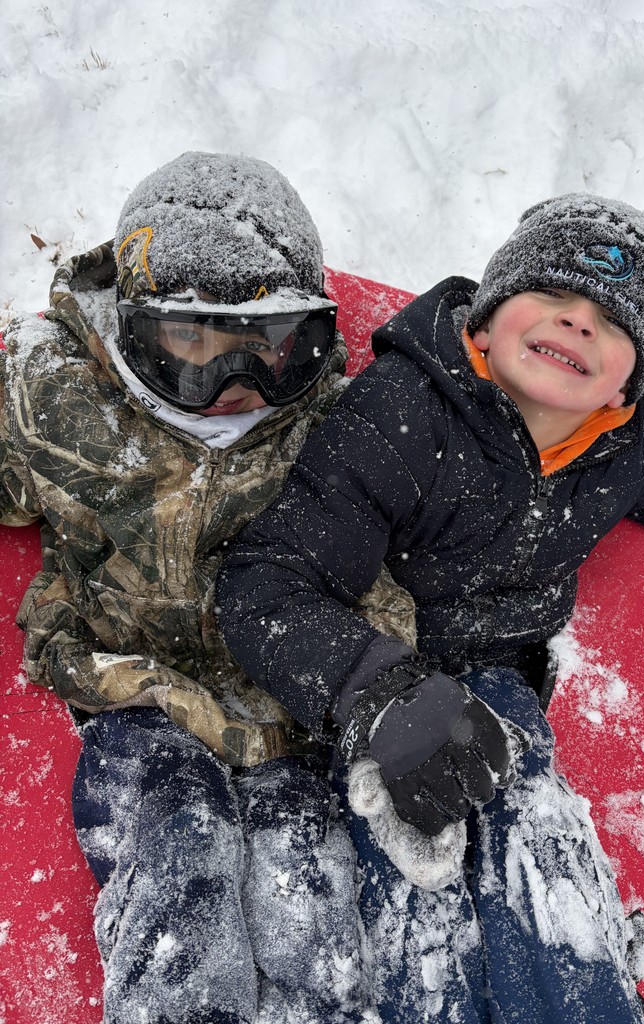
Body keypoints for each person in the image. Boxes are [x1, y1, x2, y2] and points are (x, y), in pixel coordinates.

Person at [216, 193, 644, 1024]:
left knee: (539, 843)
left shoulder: (631, 448)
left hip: (503, 684)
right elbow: (266, 582)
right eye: (552, 297)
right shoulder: (403, 415)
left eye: (612, 322)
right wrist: (374, 691)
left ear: (633, 378)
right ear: (487, 313)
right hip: (384, 684)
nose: (577, 324)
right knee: (418, 876)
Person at [0, 151, 417, 1024]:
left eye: (267, 349)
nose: (236, 387)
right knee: (178, 845)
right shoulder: (56, 399)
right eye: (194, 344)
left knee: (308, 883)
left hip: (283, 698)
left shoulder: (331, 421)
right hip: (128, 682)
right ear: (134, 327)